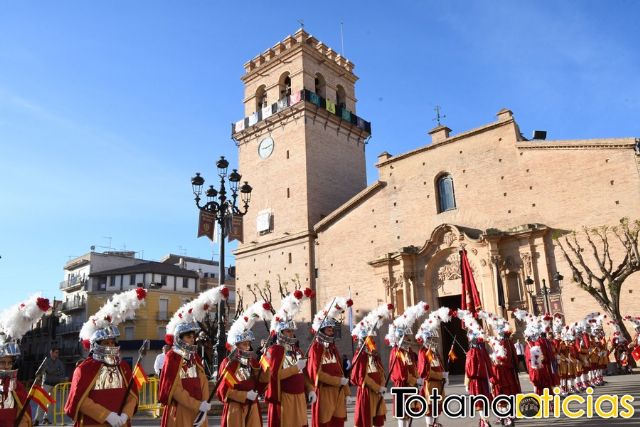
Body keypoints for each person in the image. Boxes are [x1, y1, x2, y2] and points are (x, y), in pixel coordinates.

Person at [65, 289, 146, 427]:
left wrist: (125, 415)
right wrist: (107, 416)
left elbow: (132, 396)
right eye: (105, 342)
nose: (110, 345)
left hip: (121, 423)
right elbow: (80, 400)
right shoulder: (84, 369)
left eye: (112, 342)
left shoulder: (123, 367)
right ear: (96, 344)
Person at [159, 286, 228, 427]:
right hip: (181, 411)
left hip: (198, 410)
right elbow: (175, 389)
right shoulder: (172, 357)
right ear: (179, 338)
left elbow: (202, 381)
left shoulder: (194, 357)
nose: (193, 339)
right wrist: (197, 405)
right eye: (189, 336)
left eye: (193, 336)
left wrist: (204, 403)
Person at [264, 288, 315, 427]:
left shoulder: (297, 350)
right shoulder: (275, 350)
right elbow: (275, 376)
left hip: (300, 398)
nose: (291, 334)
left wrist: (310, 389)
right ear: (280, 332)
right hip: (285, 399)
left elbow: (304, 374)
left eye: (292, 331)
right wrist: (295, 367)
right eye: (288, 331)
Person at [217, 301, 271, 427]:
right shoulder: (228, 363)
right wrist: (244, 395)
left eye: (249, 344)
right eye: (244, 344)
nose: (248, 347)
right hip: (236, 407)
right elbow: (224, 391)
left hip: (252, 404)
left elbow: (261, 382)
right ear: (236, 346)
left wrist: (267, 361)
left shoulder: (251, 362)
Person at [0, 295, 51, 427]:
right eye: (2, 362)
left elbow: (23, 414)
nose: (6, 366)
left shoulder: (17, 386)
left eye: (9, 362)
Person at [308, 296, 353, 427]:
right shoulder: (316, 348)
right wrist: (338, 381)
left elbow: (340, 371)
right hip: (324, 393)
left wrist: (347, 392)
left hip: (338, 393)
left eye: (332, 329)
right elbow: (317, 374)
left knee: (338, 423)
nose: (331, 332)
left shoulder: (332, 347)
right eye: (329, 329)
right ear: (321, 330)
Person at [350, 303, 394, 427]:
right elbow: (361, 378)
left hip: (377, 391)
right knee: (366, 421)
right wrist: (377, 387)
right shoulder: (359, 355)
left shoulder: (374, 355)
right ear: (363, 340)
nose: (372, 342)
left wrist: (382, 384)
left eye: (372, 340)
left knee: (378, 421)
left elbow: (380, 371)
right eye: (369, 340)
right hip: (367, 393)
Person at [387, 302, 429, 427]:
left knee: (410, 412)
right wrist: (414, 380)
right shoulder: (396, 351)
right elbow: (400, 373)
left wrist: (418, 378)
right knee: (402, 413)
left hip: (412, 384)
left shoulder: (408, 351)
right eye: (405, 335)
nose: (408, 337)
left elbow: (413, 366)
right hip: (402, 385)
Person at [457, 309, 493, 427]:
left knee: (479, 402)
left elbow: (470, 370)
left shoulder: (472, 353)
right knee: (485, 400)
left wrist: (466, 382)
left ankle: (485, 421)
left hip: (476, 381)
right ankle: (484, 420)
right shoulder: (483, 352)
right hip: (485, 380)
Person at [416, 306, 451, 427]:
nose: (434, 341)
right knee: (429, 406)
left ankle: (436, 422)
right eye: (431, 339)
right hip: (430, 384)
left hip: (438, 383)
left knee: (438, 405)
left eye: (434, 339)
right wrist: (439, 375)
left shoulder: (435, 352)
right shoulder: (423, 352)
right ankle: (429, 424)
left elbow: (440, 365)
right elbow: (424, 371)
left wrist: (444, 375)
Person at [35, 347, 67, 426]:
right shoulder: (46, 361)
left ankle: (46, 419)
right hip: (46, 384)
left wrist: (55, 373)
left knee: (51, 404)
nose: (57, 354)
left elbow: (62, 373)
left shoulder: (59, 362)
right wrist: (56, 372)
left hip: (55, 385)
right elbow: (46, 371)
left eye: (57, 353)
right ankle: (37, 420)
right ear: (51, 353)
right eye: (55, 352)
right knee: (42, 402)